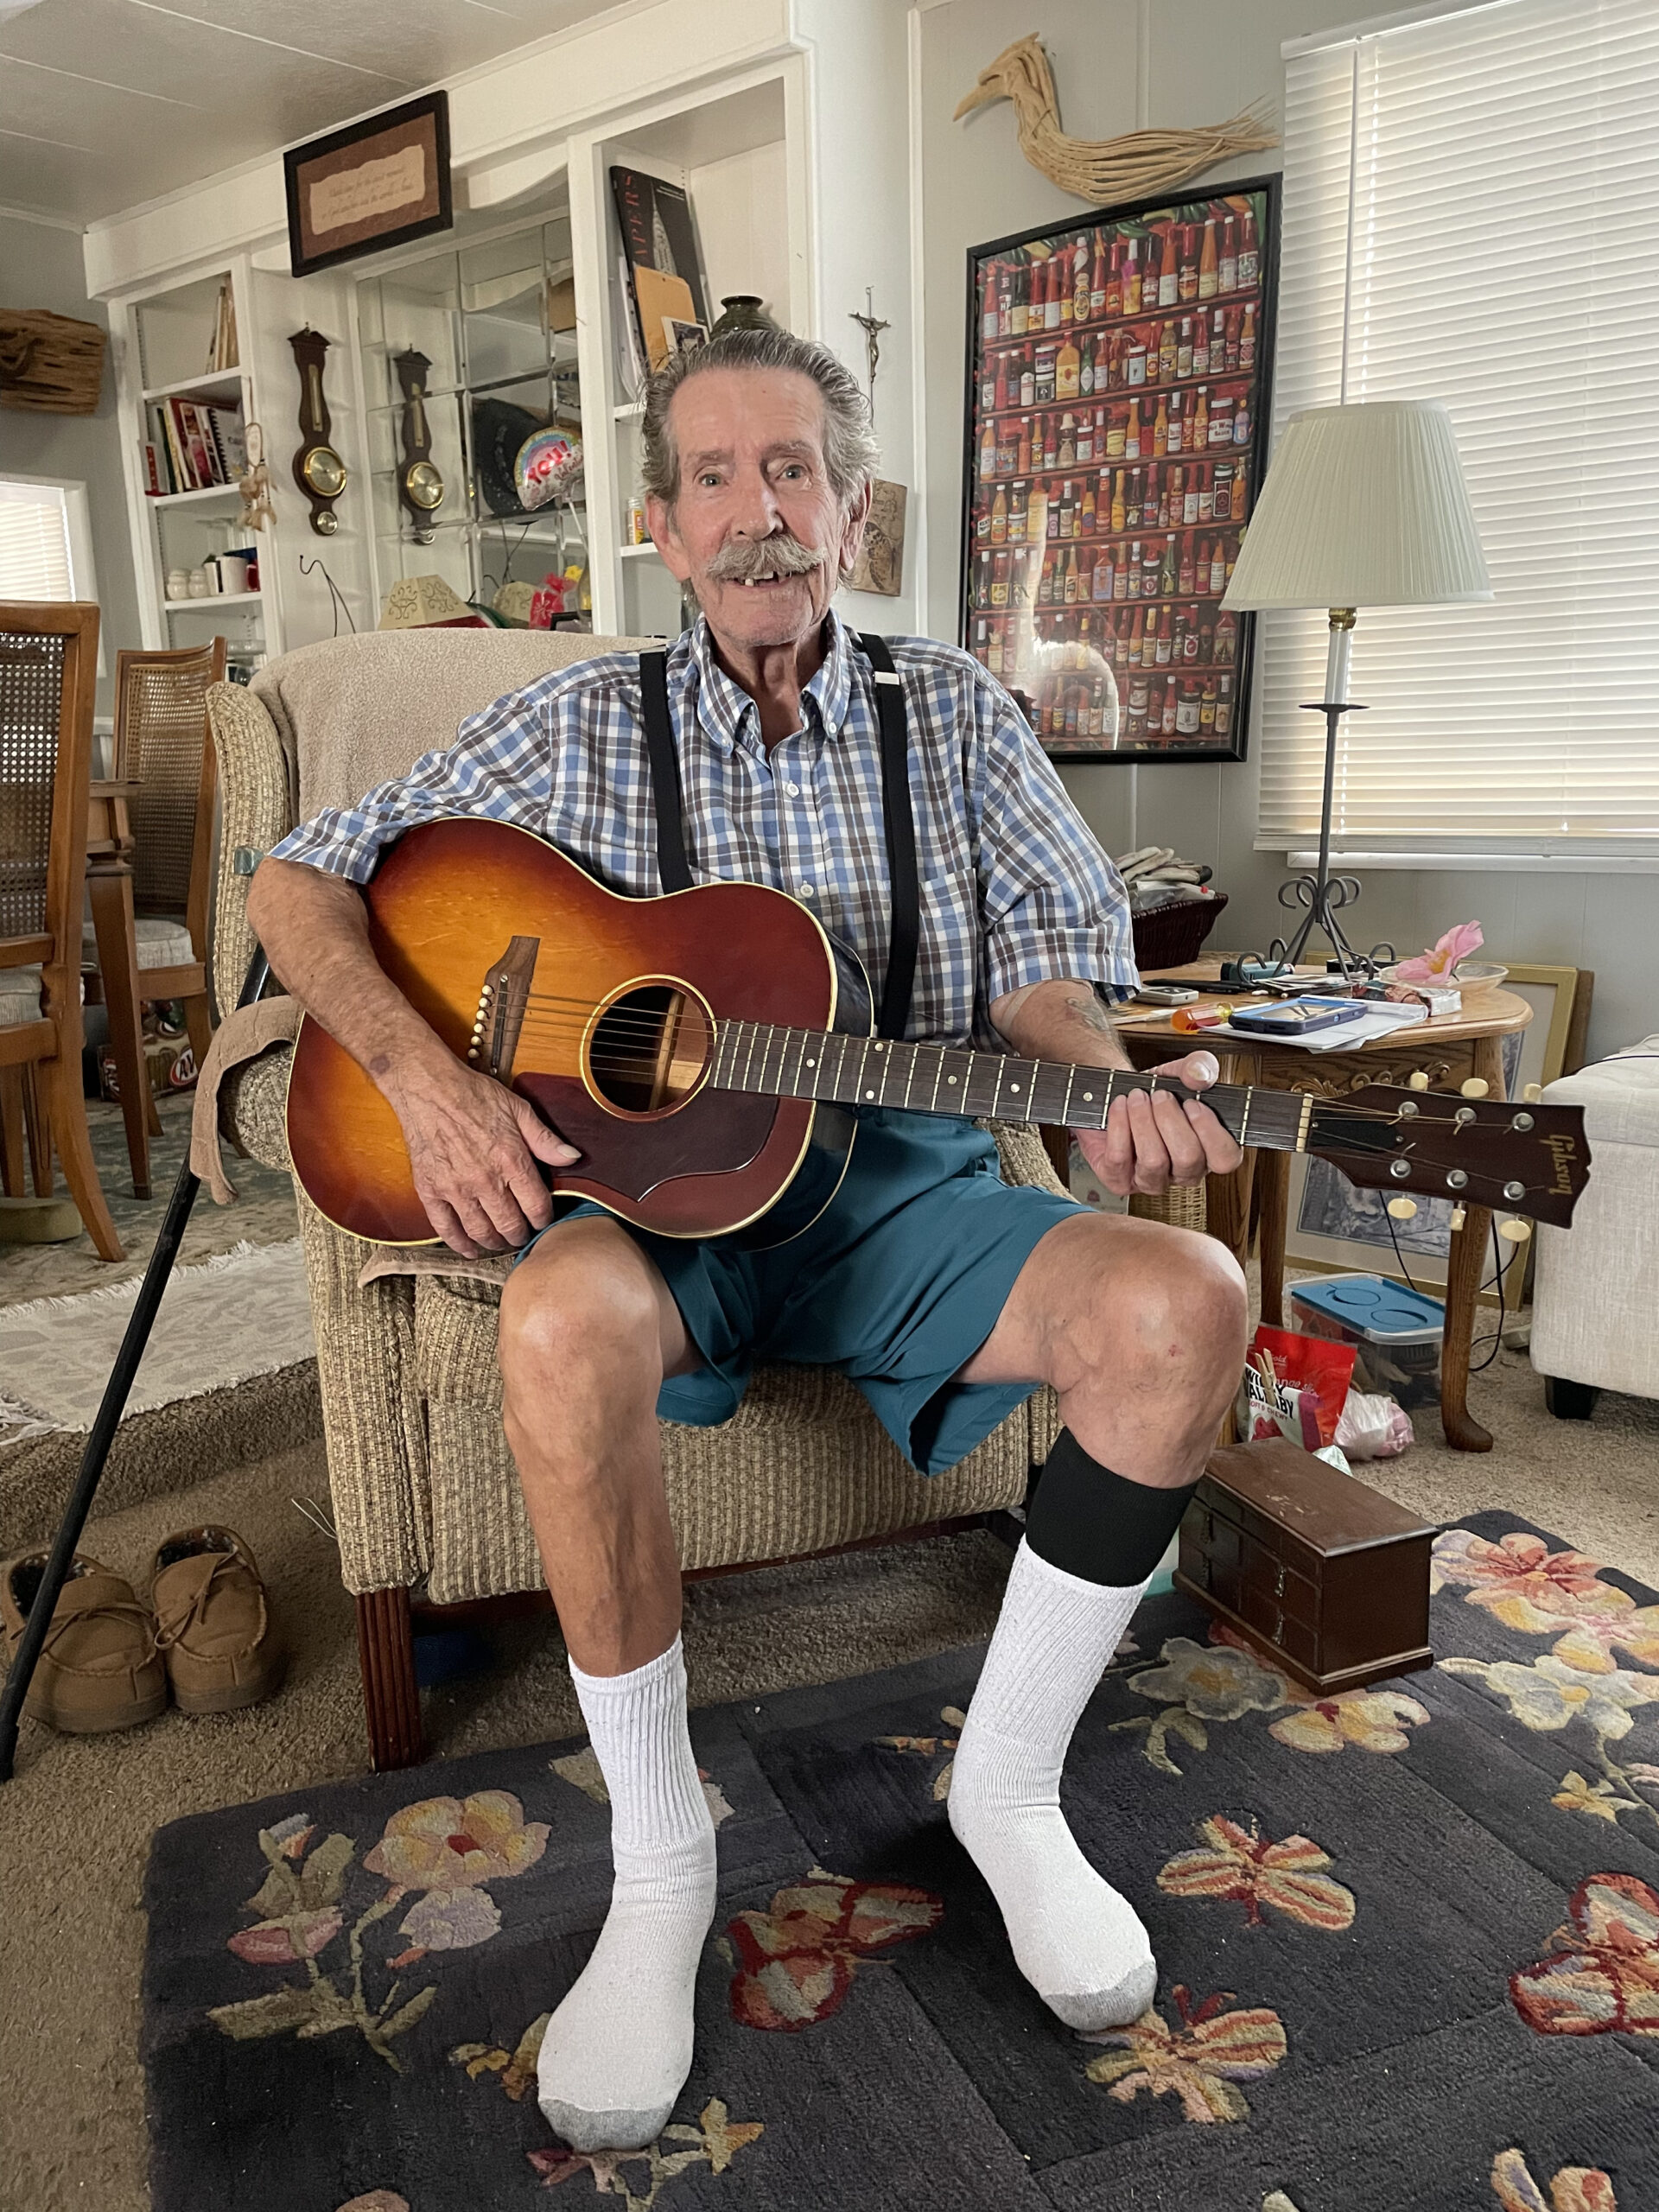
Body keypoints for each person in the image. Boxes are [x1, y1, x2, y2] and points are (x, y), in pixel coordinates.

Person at [245, 326, 1247, 2155]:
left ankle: (1009, 1790)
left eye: (792, 472)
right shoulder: (574, 720)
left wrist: (1112, 1088)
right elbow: (298, 876)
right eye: (715, 477)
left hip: (904, 1187)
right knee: (551, 1328)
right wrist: (432, 1081)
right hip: (662, 1214)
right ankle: (660, 1852)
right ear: (662, 524)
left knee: (1192, 1294)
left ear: (852, 512)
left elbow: (1042, 975)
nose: (756, 513)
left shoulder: (950, 713)